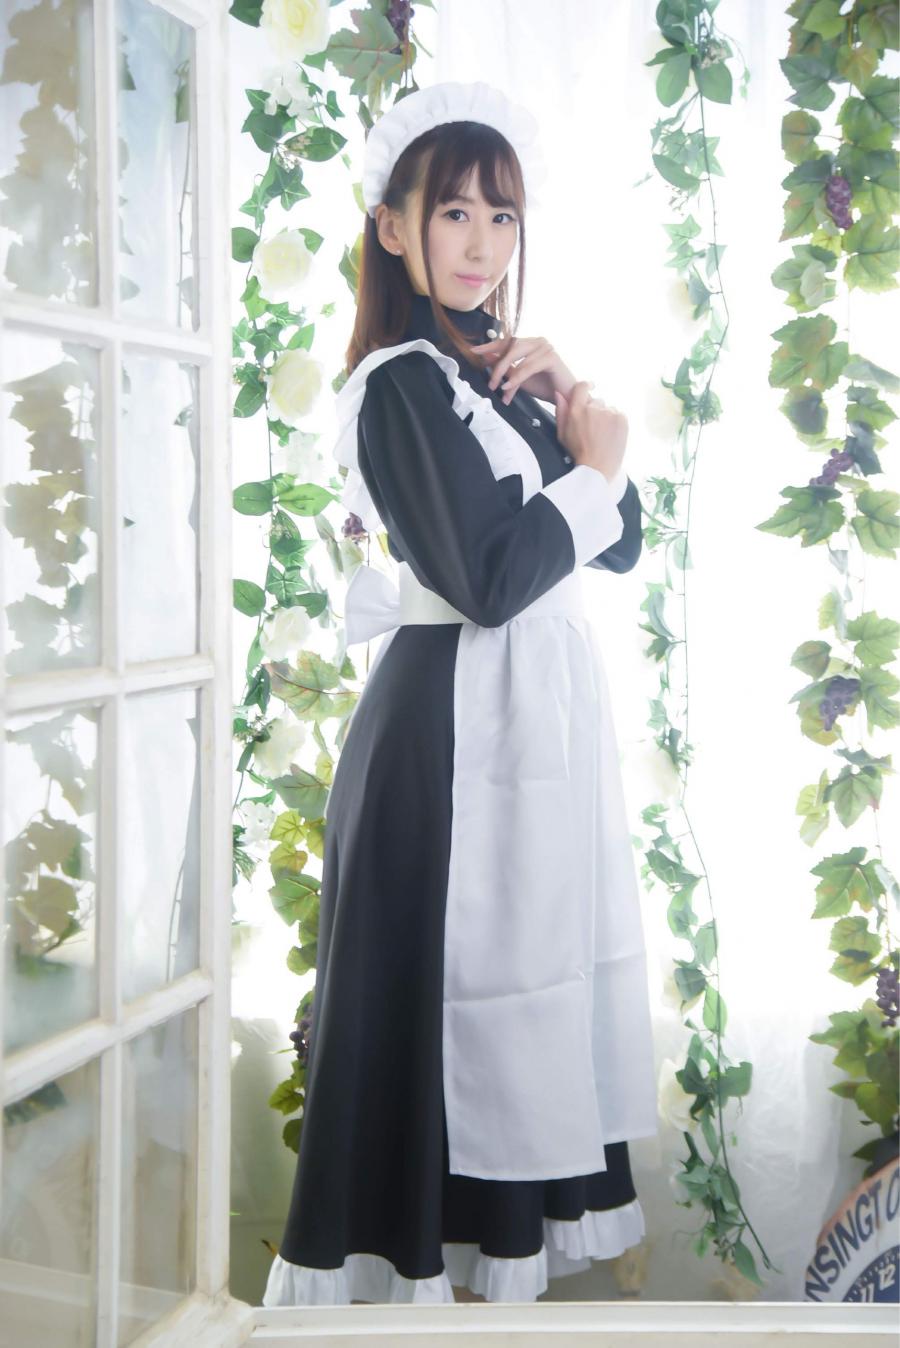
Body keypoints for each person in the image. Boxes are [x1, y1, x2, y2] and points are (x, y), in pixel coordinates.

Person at [263, 79, 658, 1307]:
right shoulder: (400, 385)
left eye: (502, 217)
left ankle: (480, 1304)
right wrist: (592, 465)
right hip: (444, 747)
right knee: (440, 1019)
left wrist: (568, 403)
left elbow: (617, 540)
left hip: (522, 735)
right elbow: (491, 580)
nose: (481, 245)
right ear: (393, 227)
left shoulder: (490, 377)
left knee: (516, 1007)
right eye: (453, 214)